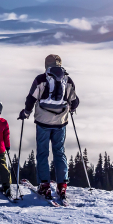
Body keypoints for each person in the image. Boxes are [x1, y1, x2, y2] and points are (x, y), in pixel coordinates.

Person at [18, 54, 79, 200]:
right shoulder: (67, 79)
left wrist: (26, 112)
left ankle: (44, 186)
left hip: (43, 122)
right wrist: (70, 108)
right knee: (59, 151)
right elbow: (75, 101)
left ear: (46, 65)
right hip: (61, 122)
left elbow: (31, 98)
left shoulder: (40, 79)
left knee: (43, 153)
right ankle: (62, 185)